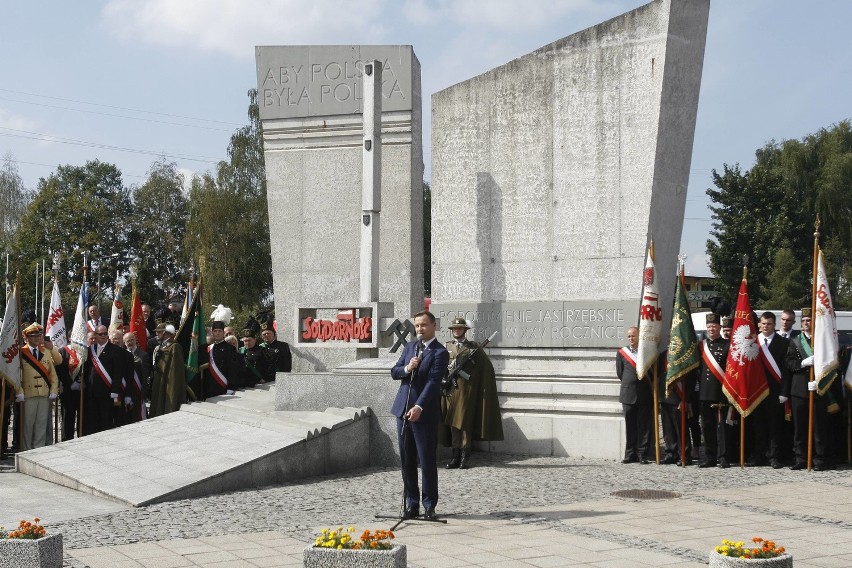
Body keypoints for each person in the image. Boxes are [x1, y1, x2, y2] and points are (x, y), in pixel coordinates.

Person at [390, 311, 448, 521]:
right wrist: (408, 367)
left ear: (433, 326)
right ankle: (412, 504)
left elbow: (433, 383)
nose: (419, 329)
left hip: (424, 414)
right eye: (417, 325)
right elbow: (395, 371)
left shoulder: (440, 352)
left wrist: (419, 407)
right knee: (406, 460)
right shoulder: (410, 348)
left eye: (424, 325)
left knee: (426, 460)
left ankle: (429, 505)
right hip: (402, 411)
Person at [439, 317, 502, 469]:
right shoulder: (446, 346)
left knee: (464, 423)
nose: (456, 330)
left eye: (459, 328)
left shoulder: (473, 348)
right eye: (454, 328)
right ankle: (455, 456)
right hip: (450, 390)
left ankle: (464, 456)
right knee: (453, 423)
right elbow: (440, 365)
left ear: (465, 331)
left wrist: (474, 380)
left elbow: (486, 368)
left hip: (466, 390)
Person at [784, 308, 830, 470]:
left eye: (809, 320)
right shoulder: (795, 341)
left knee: (818, 427)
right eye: (803, 321)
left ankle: (819, 459)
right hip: (799, 389)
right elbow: (789, 363)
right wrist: (803, 363)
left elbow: (830, 363)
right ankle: (800, 459)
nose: (806, 323)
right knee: (800, 428)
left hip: (818, 388)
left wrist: (820, 379)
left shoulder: (822, 341)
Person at [749, 312, 790, 468]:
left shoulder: (783, 343)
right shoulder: (753, 342)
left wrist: (784, 392)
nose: (766, 326)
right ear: (759, 324)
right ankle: (759, 456)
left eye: (769, 324)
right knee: (758, 426)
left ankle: (774, 456)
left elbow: (786, 371)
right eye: (763, 323)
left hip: (775, 391)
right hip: (757, 391)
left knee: (774, 426)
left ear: (774, 325)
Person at [16, 323, 59, 450]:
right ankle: (26, 450)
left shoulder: (45, 352)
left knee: (41, 424)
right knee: (27, 425)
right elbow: (16, 374)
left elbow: (53, 374)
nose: (37, 339)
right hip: (28, 394)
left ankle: (38, 450)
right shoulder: (21, 352)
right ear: (26, 337)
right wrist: (19, 391)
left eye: (39, 336)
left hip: (44, 394)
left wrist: (54, 390)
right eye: (33, 336)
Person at [615, 326, 653, 464]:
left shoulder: (646, 352)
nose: (631, 338)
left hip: (644, 394)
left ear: (639, 336)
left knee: (644, 426)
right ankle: (630, 454)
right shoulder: (622, 353)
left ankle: (642, 454)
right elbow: (620, 373)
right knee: (630, 426)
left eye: (633, 336)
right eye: (629, 336)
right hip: (628, 394)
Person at [698, 313, 731, 468]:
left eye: (714, 326)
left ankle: (723, 457)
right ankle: (710, 457)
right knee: (707, 426)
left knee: (723, 427)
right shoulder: (701, 345)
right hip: (705, 392)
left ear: (720, 328)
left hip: (721, 392)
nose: (711, 329)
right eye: (709, 326)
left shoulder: (727, 345)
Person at [83, 324, 126, 435]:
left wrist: (115, 391)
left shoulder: (115, 350)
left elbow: (118, 372)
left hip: (107, 392)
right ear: (95, 335)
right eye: (100, 334)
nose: (103, 336)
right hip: (92, 392)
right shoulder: (89, 350)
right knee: (92, 421)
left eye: (105, 333)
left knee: (106, 421)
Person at [150, 323, 186, 417]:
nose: (157, 335)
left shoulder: (175, 347)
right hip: (160, 381)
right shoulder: (162, 347)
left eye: (159, 332)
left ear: (167, 333)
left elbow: (175, 370)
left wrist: (171, 386)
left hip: (168, 382)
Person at [204, 321, 239, 397]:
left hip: (223, 386)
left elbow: (232, 369)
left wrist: (230, 388)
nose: (217, 333)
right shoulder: (209, 348)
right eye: (215, 331)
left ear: (223, 333)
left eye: (220, 331)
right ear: (212, 333)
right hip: (210, 387)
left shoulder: (230, 348)